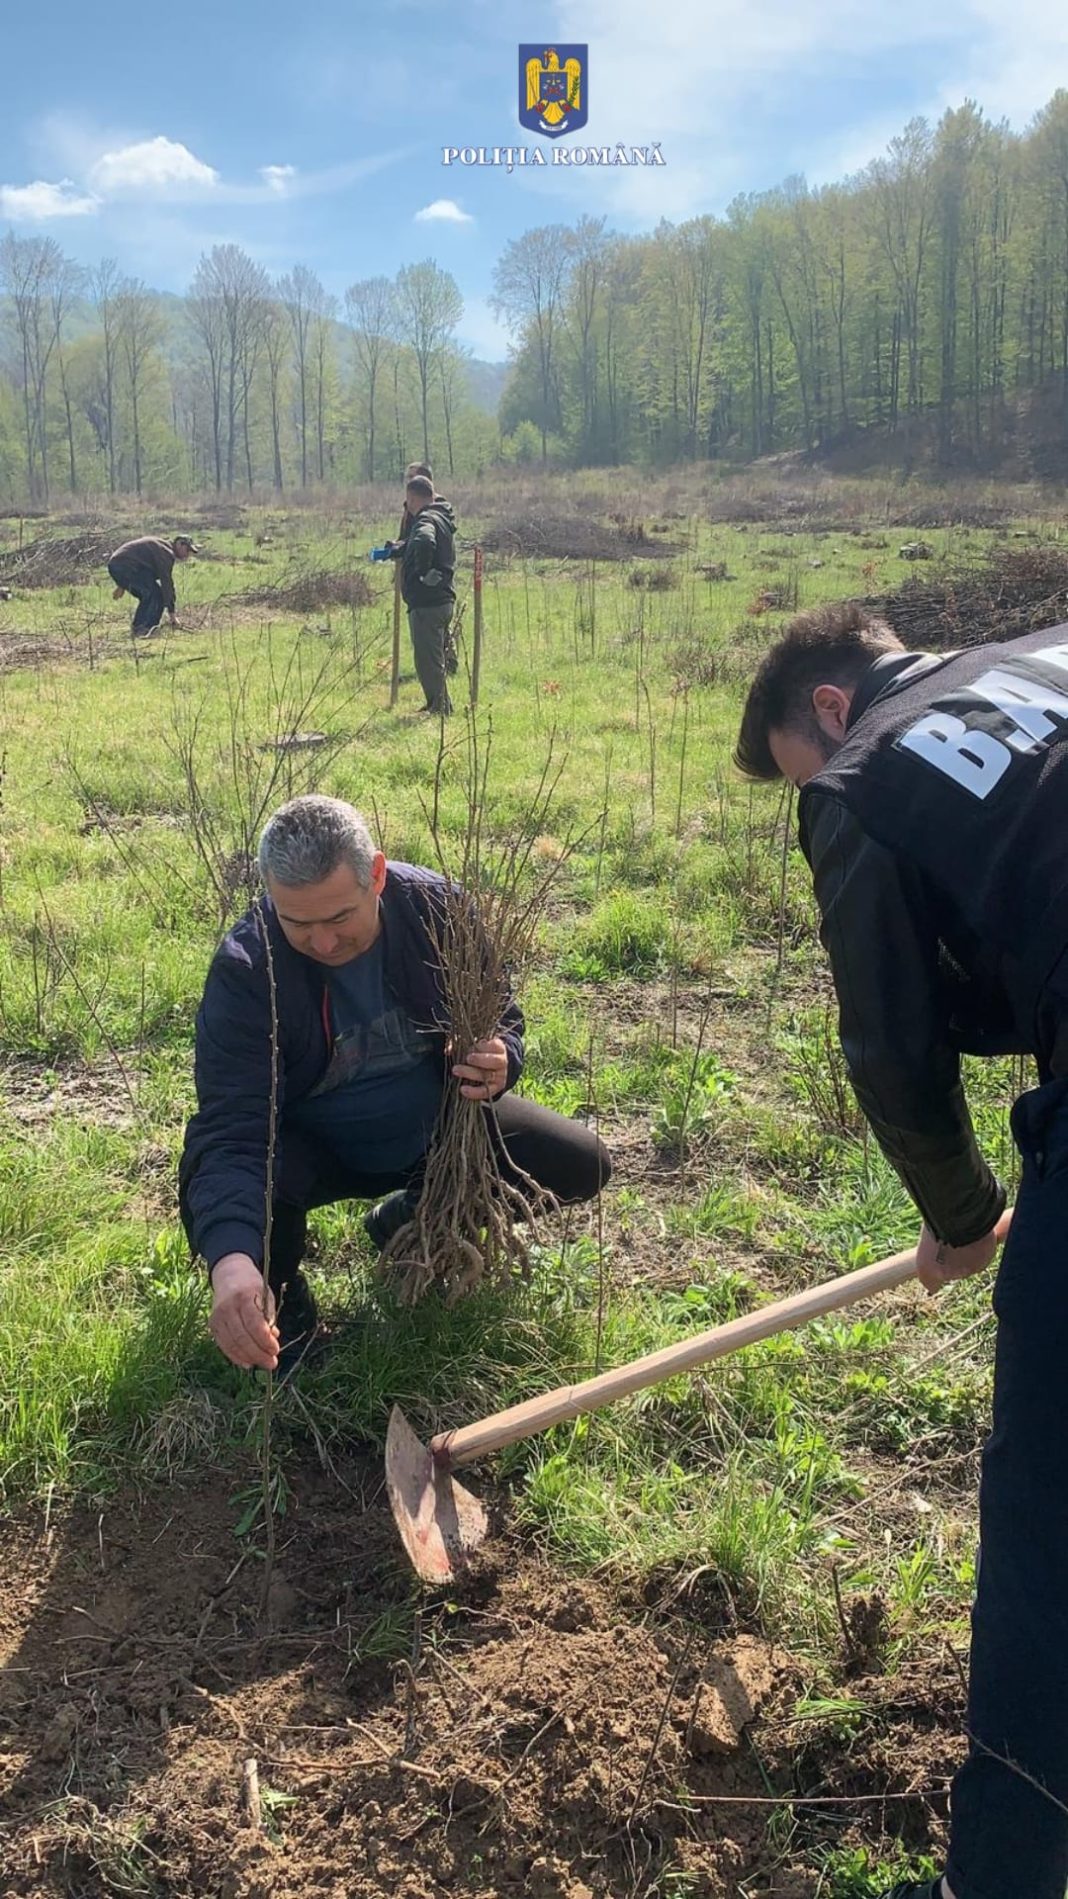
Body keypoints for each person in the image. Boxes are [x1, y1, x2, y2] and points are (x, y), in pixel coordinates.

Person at [734, 600, 1068, 1899]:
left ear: (829, 707)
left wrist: (961, 1209)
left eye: (798, 778)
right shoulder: (1044, 649)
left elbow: (890, 1039)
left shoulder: (871, 763)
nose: (812, 802)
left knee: (1048, 1525)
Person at [180, 794, 611, 1377]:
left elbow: (501, 1013)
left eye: (338, 918)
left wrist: (502, 1055)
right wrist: (231, 1261)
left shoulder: (437, 911)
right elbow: (231, 1132)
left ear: (376, 875)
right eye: (298, 923)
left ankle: (411, 1219)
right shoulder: (247, 971)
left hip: (436, 1130)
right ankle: (285, 1302)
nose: (323, 943)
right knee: (244, 1210)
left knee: (580, 1164)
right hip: (313, 1153)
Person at [384, 475, 457, 715]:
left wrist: (423, 572)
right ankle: (436, 703)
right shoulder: (441, 516)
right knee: (433, 657)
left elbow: (424, 541)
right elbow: (417, 543)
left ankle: (439, 708)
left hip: (428, 603)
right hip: (443, 599)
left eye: (408, 499)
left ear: (413, 497)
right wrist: (398, 549)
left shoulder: (425, 519)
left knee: (428, 660)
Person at [106, 533, 197, 636]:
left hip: (120, 566)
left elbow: (143, 567)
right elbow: (166, 583)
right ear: (180, 544)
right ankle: (144, 629)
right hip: (124, 567)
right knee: (155, 595)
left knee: (150, 593)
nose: (188, 555)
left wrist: (122, 584)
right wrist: (172, 614)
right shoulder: (166, 552)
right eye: (187, 550)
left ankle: (144, 627)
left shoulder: (162, 546)